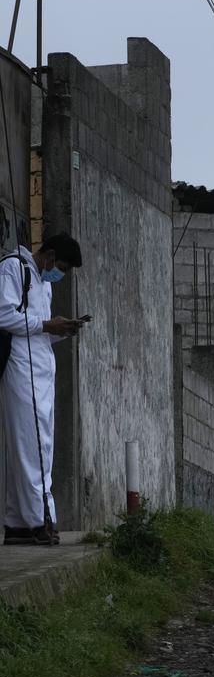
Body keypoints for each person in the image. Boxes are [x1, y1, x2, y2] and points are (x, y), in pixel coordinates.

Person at [1, 234, 84, 546]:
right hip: (21, 369)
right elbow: (4, 315)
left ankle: (18, 523)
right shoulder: (14, 269)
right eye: (60, 266)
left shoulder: (43, 283)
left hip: (40, 369)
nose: (59, 273)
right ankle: (41, 519)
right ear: (48, 256)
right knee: (32, 445)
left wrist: (60, 330)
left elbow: (37, 329)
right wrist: (48, 325)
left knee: (37, 446)